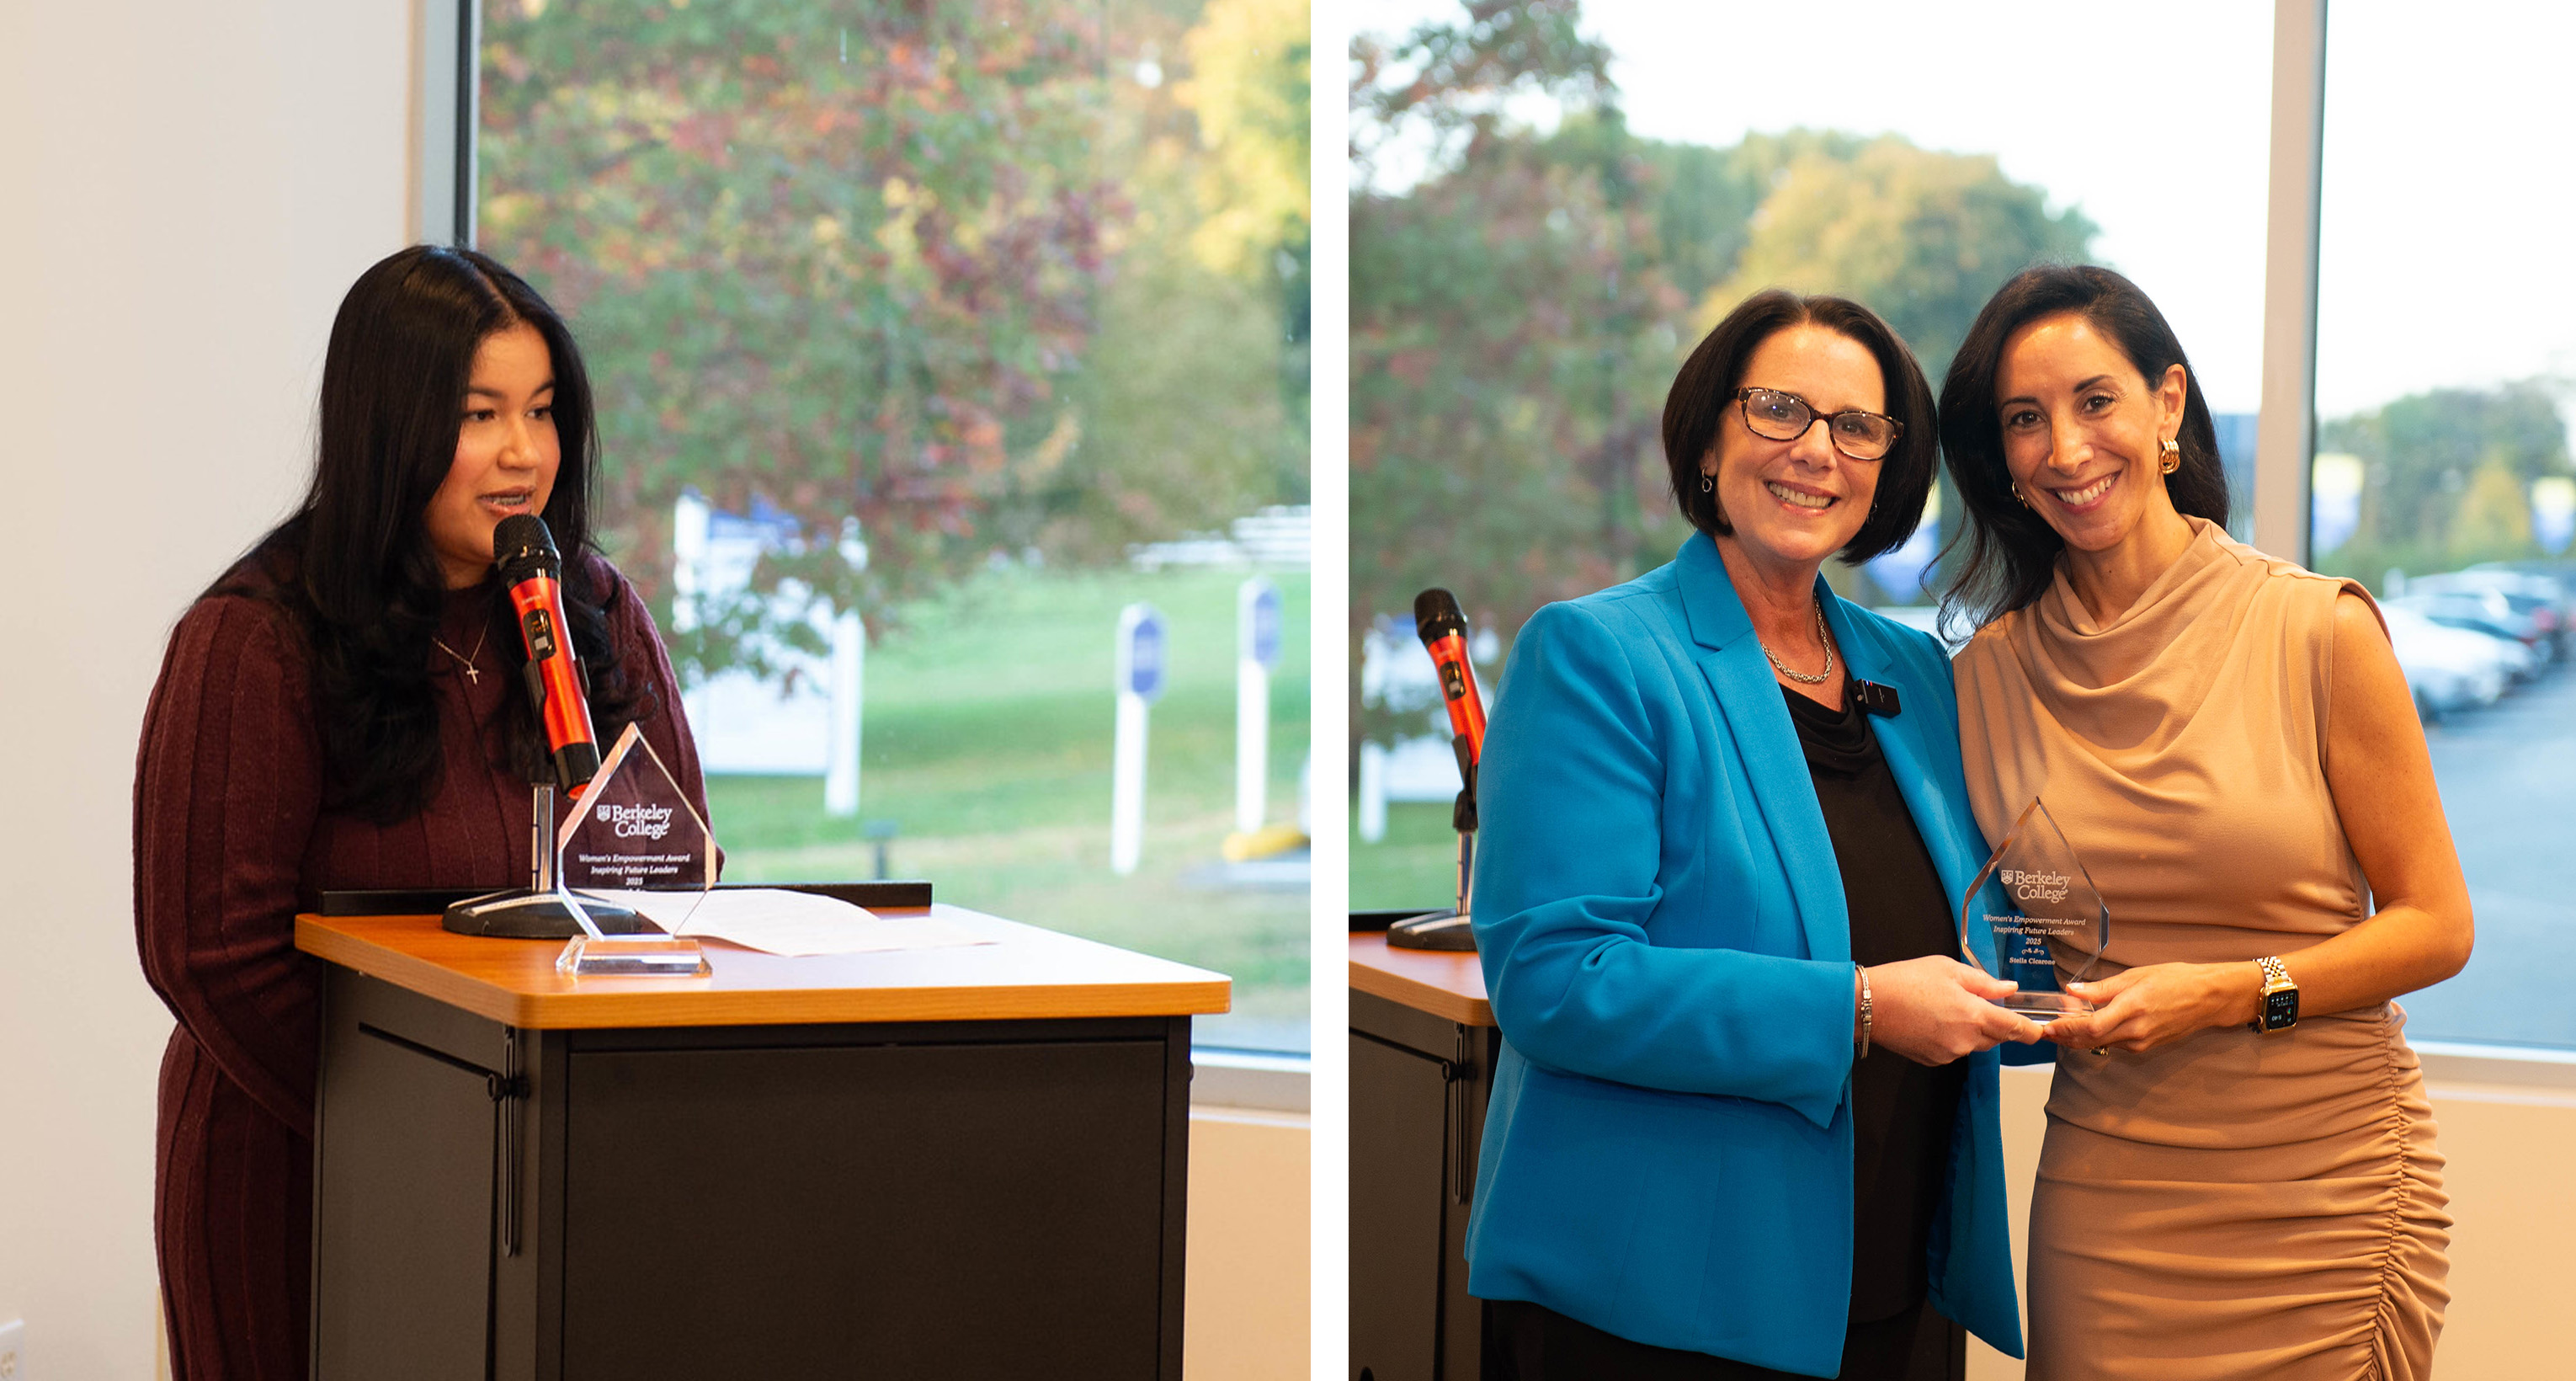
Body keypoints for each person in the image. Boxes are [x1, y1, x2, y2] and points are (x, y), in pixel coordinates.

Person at [133, 245, 711, 1379]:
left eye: (543, 413)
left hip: (546, 1178)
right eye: (480, 413)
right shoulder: (256, 637)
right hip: (299, 1168)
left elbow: (667, 883)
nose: (524, 455)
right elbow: (209, 954)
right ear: (389, 426)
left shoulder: (591, 610)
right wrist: (426, 1125)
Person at [1465, 289, 2042, 1380]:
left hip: (1894, 1285)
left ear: (1888, 465)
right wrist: (1861, 1008)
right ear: (1710, 436)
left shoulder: (1914, 673)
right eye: (1781, 409)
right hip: (1663, 1303)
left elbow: (1985, 922)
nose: (1816, 451)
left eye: (1856, 426)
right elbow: (1556, 982)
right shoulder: (1598, 656)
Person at [1940, 264, 2467, 1381]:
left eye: (2096, 401)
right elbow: (2013, 922)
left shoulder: (2316, 629)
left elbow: (2437, 926)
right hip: (2109, 1197)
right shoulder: (1987, 674)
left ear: (2167, 405)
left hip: (2322, 1188)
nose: (2068, 449)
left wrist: (2230, 990)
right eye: (2025, 421)